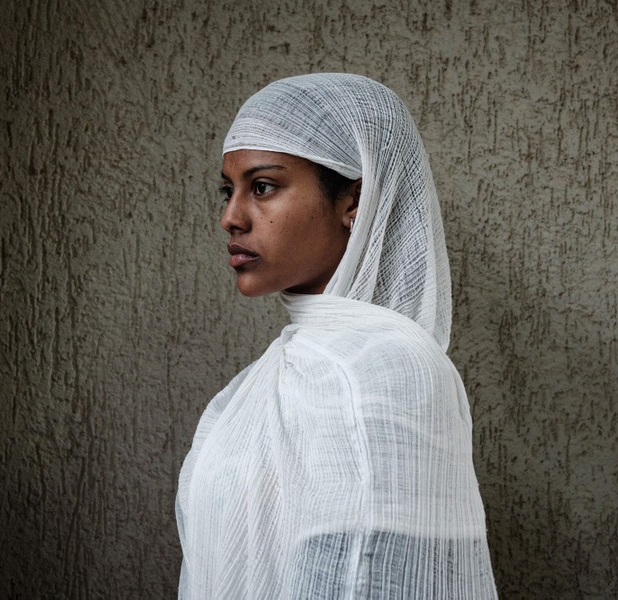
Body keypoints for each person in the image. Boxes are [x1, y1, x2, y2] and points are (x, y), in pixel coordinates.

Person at [176, 73, 498, 599]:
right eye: (227, 190)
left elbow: (371, 580)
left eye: (262, 187)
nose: (230, 217)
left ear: (354, 200)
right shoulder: (274, 375)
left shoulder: (385, 369)